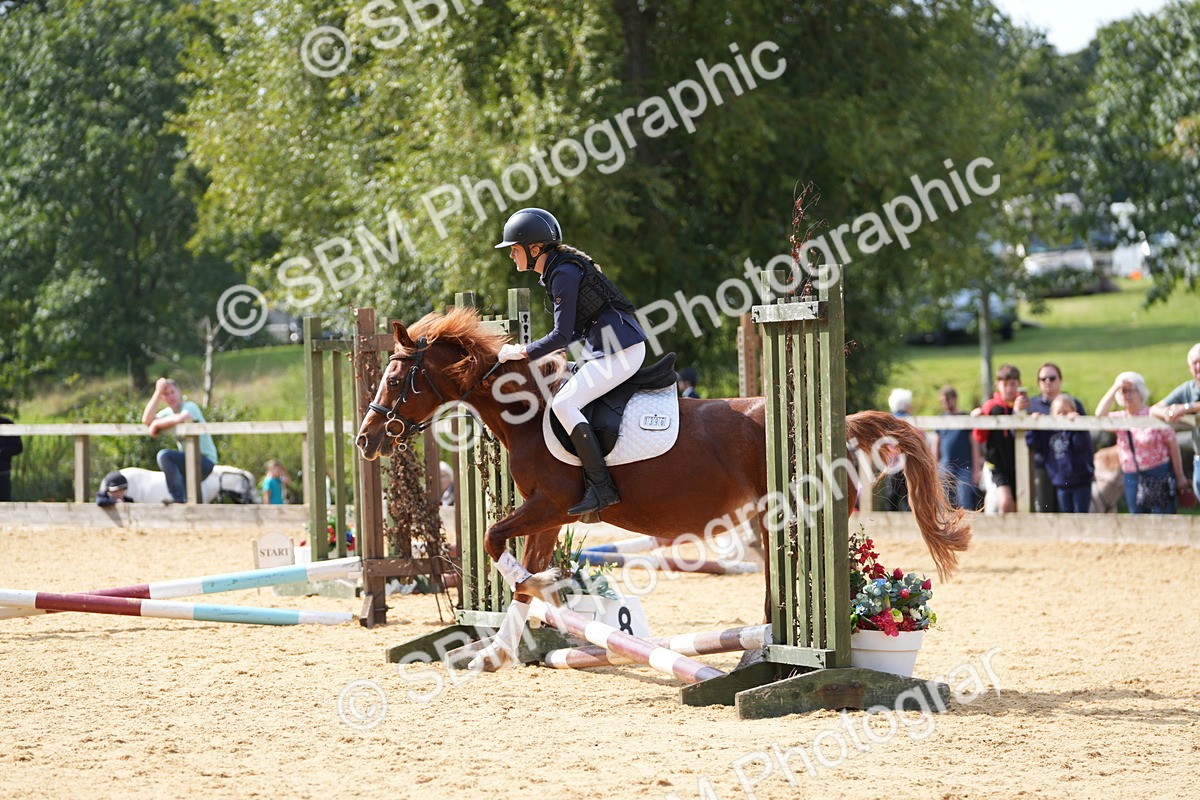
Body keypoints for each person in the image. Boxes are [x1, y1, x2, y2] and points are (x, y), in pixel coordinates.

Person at [493, 207, 648, 516]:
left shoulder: (563, 273)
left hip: (621, 350)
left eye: (514, 249)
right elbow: (576, 330)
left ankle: (602, 487)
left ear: (534, 249)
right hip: (608, 348)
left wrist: (523, 353)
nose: (511, 255)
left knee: (564, 404)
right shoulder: (559, 270)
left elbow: (562, 334)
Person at [1096, 371, 1186, 514]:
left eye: (1131, 391)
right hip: (1132, 476)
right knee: (1138, 519)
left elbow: (1173, 445)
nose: (1127, 395)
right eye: (1123, 392)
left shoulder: (1153, 414)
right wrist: (1115, 387)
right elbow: (1100, 416)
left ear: (1140, 393)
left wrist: (1179, 476)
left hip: (1159, 474)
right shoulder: (1121, 418)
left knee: (1163, 518)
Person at [141, 378, 218, 503]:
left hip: (204, 460)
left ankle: (176, 497)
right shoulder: (168, 413)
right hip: (188, 461)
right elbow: (146, 419)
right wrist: (157, 392)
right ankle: (184, 504)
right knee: (190, 501)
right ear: (162, 398)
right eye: (166, 394)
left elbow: (183, 417)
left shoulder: (189, 406)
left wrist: (156, 424)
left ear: (179, 392)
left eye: (173, 392)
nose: (171, 396)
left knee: (165, 456)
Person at [1027, 362, 1085, 513]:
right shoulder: (1032, 405)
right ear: (1038, 382)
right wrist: (1027, 420)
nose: (1048, 381)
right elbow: (1022, 437)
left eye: (1052, 378)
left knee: (1070, 511)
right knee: (1045, 510)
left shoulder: (1074, 403)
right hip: (1044, 466)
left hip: (1070, 467)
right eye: (1043, 378)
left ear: (1060, 379)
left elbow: (1085, 439)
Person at [1025, 394, 1094, 513]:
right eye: (1058, 412)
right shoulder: (1049, 432)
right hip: (1061, 483)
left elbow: (1083, 445)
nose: (1062, 416)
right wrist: (1034, 426)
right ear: (1051, 414)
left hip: (1081, 482)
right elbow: (1033, 443)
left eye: (1066, 412)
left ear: (1073, 412)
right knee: (1065, 517)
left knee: (1081, 517)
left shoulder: (1079, 430)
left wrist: (1076, 426)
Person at [1150, 342, 1200, 501]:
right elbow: (1154, 409)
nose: (1198, 366)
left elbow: (1187, 407)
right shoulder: (1188, 388)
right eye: (1195, 363)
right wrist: (1167, 413)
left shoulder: (1187, 401)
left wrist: (1186, 407)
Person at [971, 363, 1023, 514]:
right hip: (998, 464)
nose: (1009, 388)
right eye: (1005, 384)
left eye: (1013, 384)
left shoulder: (1024, 405)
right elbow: (979, 437)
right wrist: (979, 420)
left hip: (1020, 463)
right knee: (1005, 502)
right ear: (997, 385)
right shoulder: (990, 407)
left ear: (1019, 384)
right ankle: (1007, 534)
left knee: (1021, 503)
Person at [930, 385, 981, 510]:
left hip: (964, 466)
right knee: (943, 504)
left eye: (947, 399)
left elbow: (974, 445)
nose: (945, 403)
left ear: (954, 399)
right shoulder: (941, 419)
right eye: (942, 401)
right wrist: (933, 467)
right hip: (945, 466)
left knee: (965, 504)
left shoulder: (965, 418)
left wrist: (976, 469)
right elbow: (936, 445)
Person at [884, 389, 914, 511]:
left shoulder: (888, 420)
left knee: (892, 496)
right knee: (909, 496)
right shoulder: (911, 420)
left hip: (892, 462)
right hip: (909, 463)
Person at [0, 414, 22, 502]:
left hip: (2, 472)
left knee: (4, 504)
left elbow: (18, 447)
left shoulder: (7, 423)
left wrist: (1, 451)